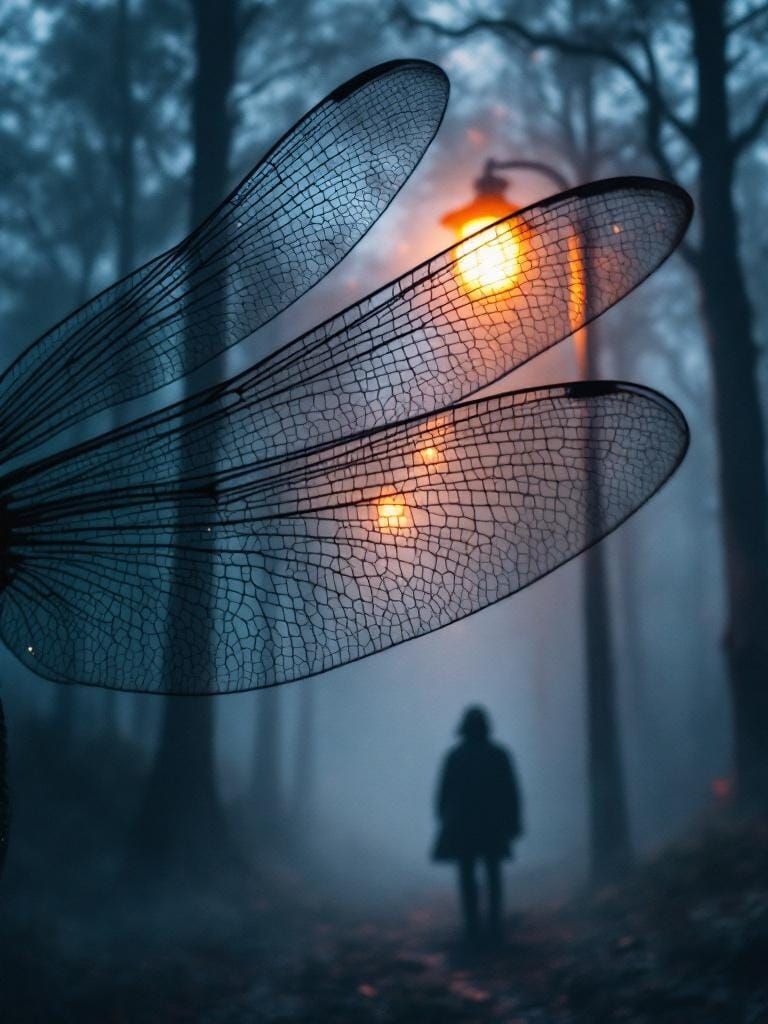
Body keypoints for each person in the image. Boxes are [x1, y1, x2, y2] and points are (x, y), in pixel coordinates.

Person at [433, 706, 523, 945]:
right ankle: (493, 926)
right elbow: (511, 793)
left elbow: (443, 795)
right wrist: (513, 823)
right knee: (492, 874)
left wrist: (444, 819)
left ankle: (473, 927)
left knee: (467, 876)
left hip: (464, 827)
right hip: (492, 826)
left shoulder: (455, 757)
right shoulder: (498, 755)